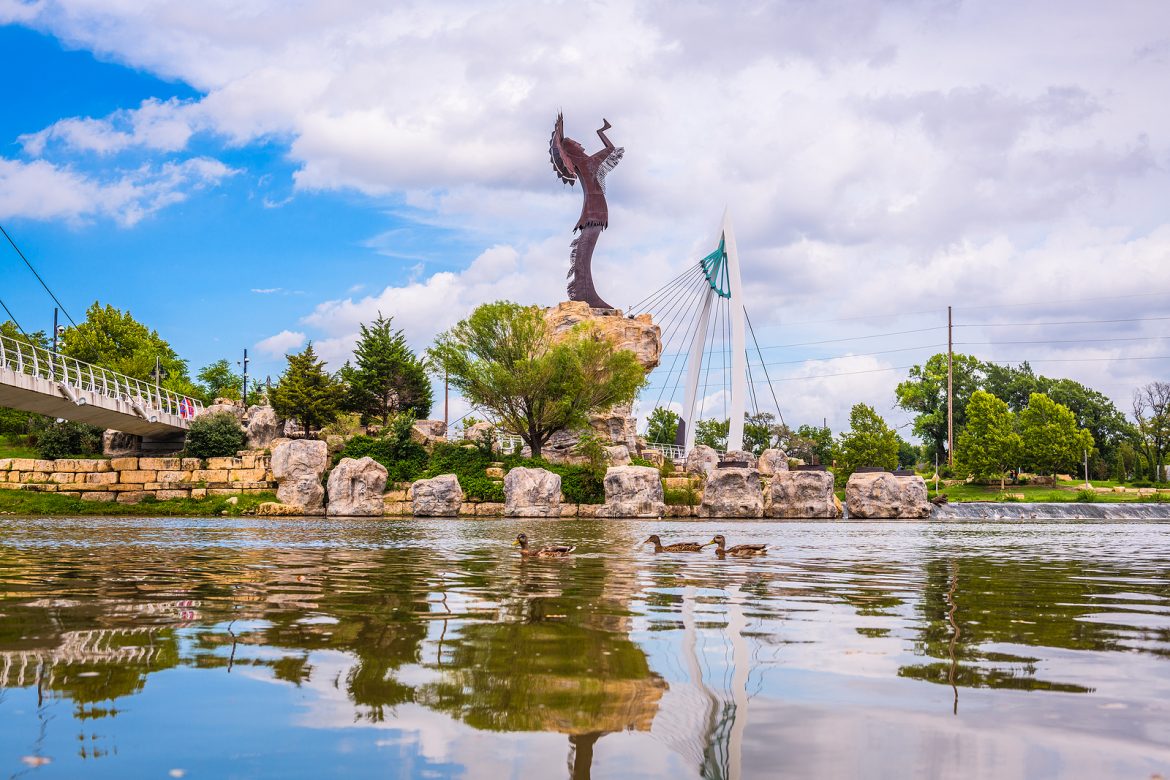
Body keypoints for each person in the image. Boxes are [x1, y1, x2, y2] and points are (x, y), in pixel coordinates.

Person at [549, 114, 624, 309]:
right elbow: (610, 150)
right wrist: (601, 132)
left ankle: (586, 294)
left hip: (595, 211)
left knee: (584, 255)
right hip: (594, 212)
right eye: (574, 143)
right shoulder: (585, 163)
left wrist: (602, 132)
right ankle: (586, 295)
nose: (579, 144)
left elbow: (610, 151)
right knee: (583, 255)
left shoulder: (588, 163)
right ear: (570, 151)